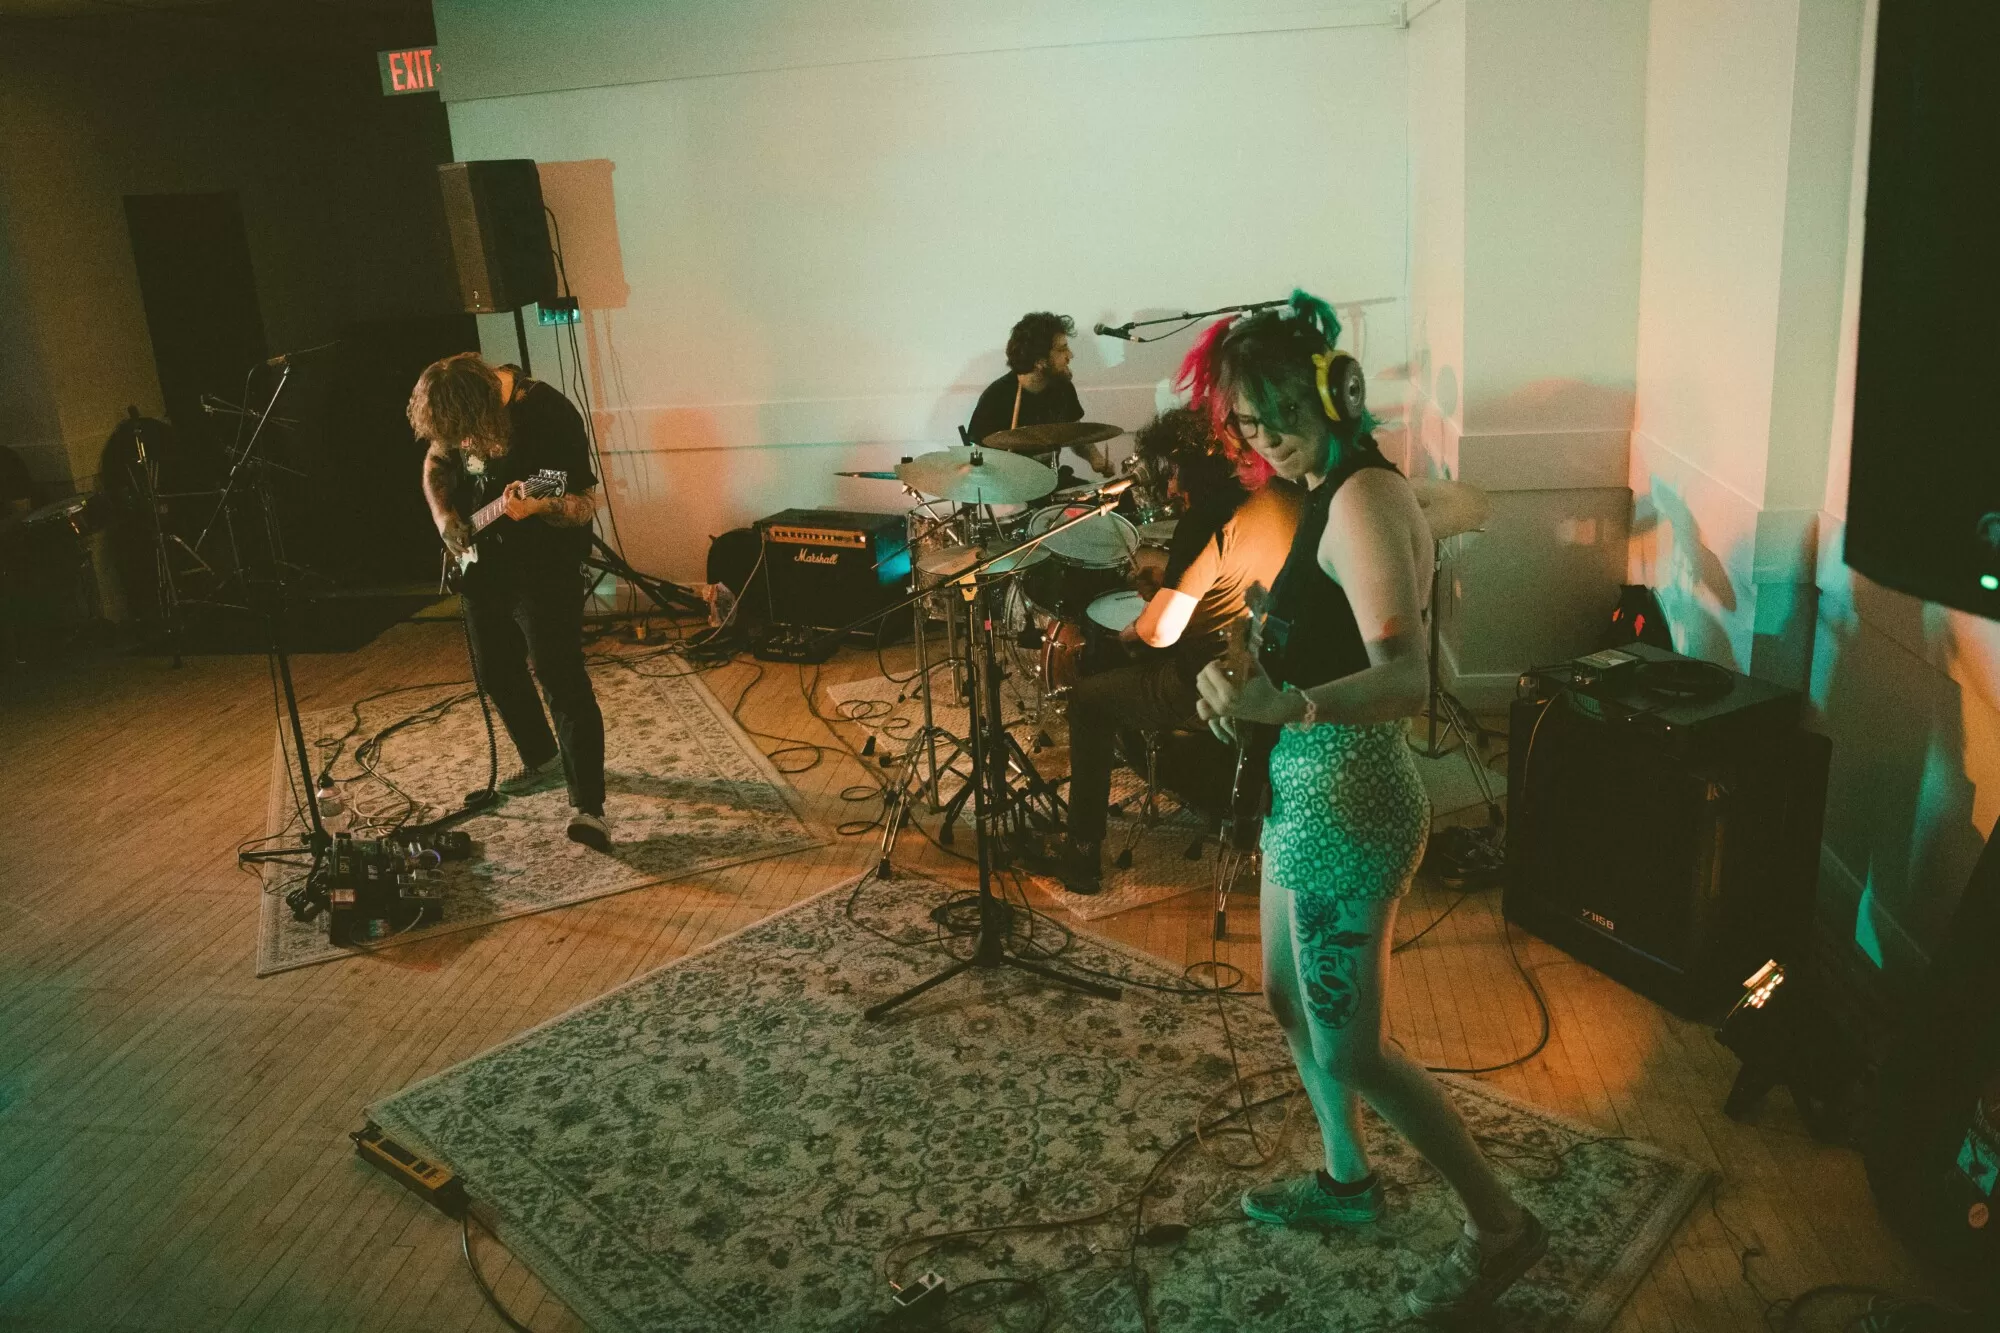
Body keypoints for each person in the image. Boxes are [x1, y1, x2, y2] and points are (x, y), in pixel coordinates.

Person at [1187, 293, 1546, 1322]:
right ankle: (1347, 1181)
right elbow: (1310, 647)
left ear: (1330, 390)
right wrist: (1239, 688)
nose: (1260, 440)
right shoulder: (1312, 497)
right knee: (1285, 998)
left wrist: (1287, 703)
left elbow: (1402, 680)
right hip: (1299, 789)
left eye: (1274, 414)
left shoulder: (1361, 501)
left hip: (1352, 801)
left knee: (1354, 1045)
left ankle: (1499, 1226)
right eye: (1244, 423)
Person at [1027, 406, 1299, 894]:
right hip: (1282, 668)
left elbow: (1160, 635)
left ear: (1184, 465)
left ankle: (1082, 856)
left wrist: (1135, 629)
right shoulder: (1279, 491)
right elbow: (1230, 585)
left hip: (1218, 681)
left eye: (1170, 475)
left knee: (1089, 699)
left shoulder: (1206, 519)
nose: (1170, 491)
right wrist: (1169, 586)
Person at [408, 353, 611, 852]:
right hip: (482, 565)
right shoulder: (458, 411)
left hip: (544, 567)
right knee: (496, 671)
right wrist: (443, 518)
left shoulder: (548, 413)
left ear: (485, 409)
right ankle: (541, 759)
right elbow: (435, 461)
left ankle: (590, 808)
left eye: (469, 435)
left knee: (559, 674)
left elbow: (586, 500)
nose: (465, 445)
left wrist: (541, 503)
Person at [966, 311, 1111, 476]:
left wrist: (1096, 459)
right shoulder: (997, 397)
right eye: (1062, 349)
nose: (1070, 355)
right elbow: (976, 456)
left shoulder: (1062, 388)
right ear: (1039, 362)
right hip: (1013, 492)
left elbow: (1075, 434)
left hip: (1052, 483)